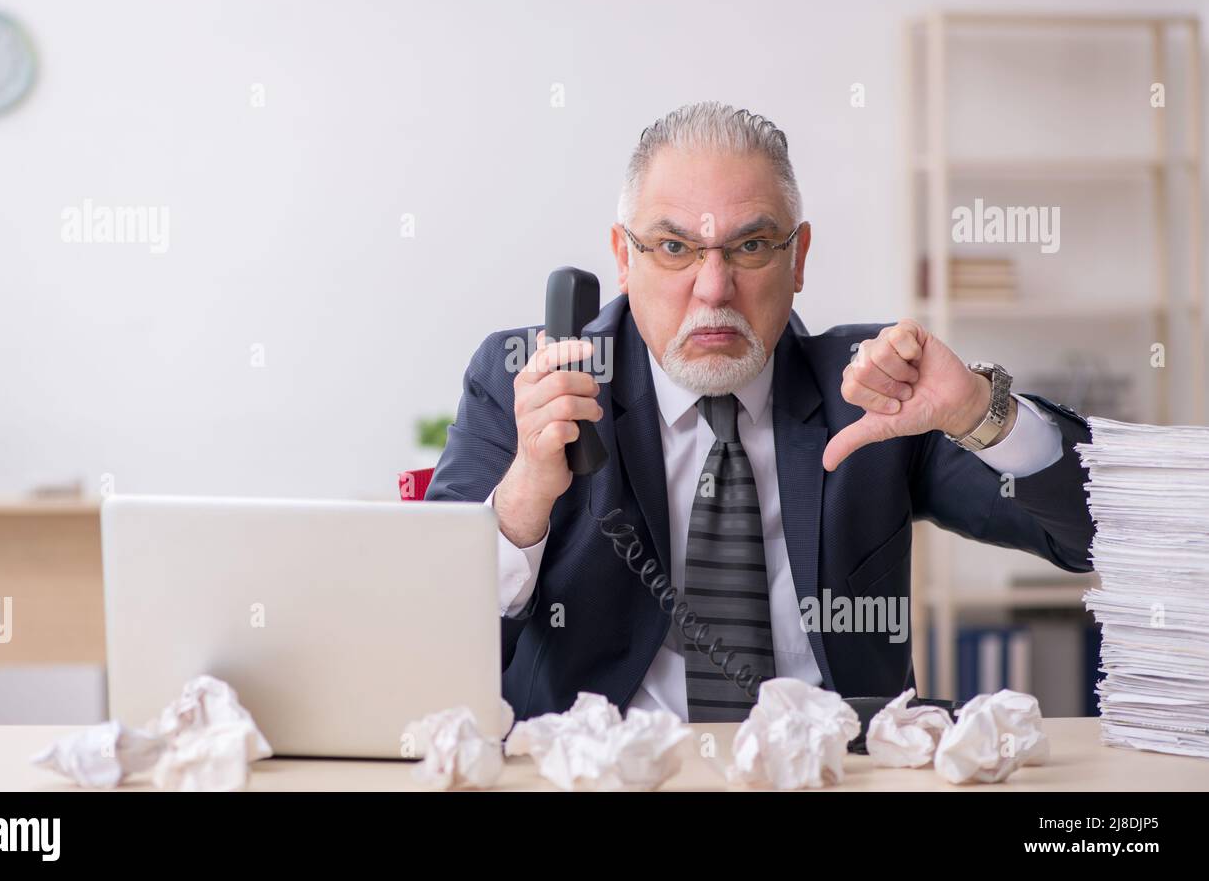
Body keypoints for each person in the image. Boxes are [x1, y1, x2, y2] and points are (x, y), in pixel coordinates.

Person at [426, 101, 1095, 723]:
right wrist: (524, 498)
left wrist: (981, 409)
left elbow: (1091, 535)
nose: (713, 289)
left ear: (797, 257)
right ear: (622, 259)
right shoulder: (528, 379)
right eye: (673, 246)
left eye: (749, 247)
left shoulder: (871, 392)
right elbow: (425, 634)